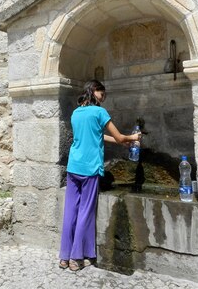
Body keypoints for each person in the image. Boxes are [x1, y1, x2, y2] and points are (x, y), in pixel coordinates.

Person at [58, 80, 140, 271]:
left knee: (71, 211)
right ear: (95, 91)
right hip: (89, 168)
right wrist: (132, 138)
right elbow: (120, 136)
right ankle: (76, 258)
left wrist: (120, 142)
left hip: (73, 167)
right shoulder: (99, 112)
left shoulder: (76, 112)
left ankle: (64, 257)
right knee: (85, 212)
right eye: (102, 95)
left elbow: (97, 135)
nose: (103, 99)